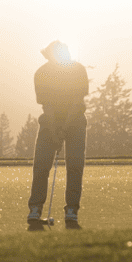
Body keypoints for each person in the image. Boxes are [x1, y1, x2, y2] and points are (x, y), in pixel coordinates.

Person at [27, 39, 89, 230]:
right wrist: (55, 129)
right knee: (41, 166)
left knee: (75, 166)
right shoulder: (42, 73)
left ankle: (72, 211)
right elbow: (48, 106)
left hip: (75, 122)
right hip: (50, 123)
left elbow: (77, 103)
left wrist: (65, 128)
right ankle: (35, 209)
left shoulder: (78, 70)